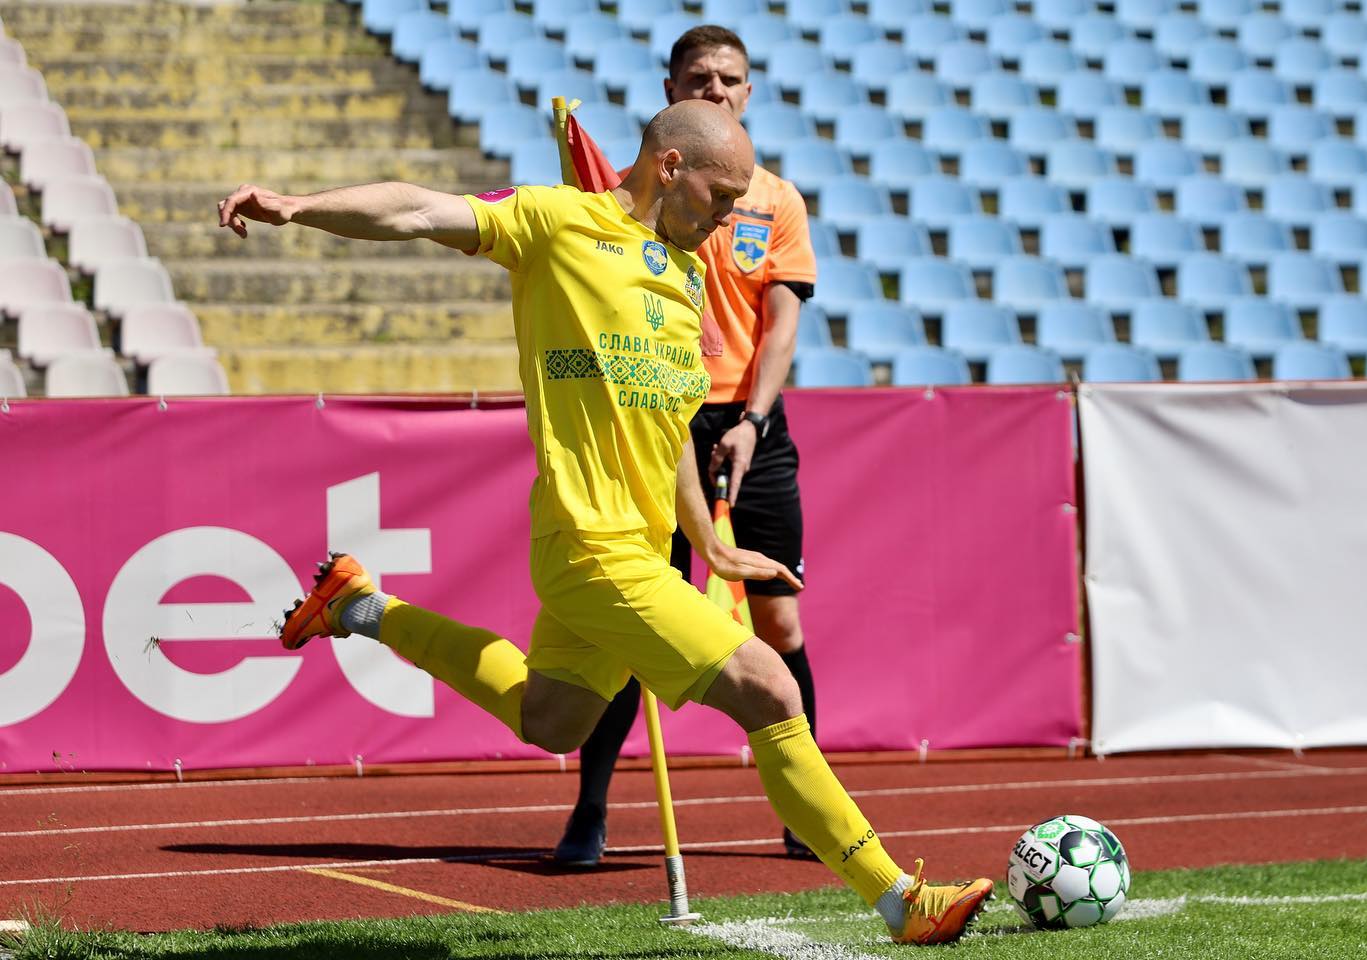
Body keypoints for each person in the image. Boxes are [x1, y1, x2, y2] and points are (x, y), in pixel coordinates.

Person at [217, 99, 993, 945]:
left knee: (549, 721)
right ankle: (898, 900)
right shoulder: (557, 223)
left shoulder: (689, 276)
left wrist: (710, 547)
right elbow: (416, 207)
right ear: (670, 168)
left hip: (639, 549)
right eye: (722, 194)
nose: (732, 215)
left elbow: (667, 441)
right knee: (770, 685)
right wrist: (297, 207)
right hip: (589, 545)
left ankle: (359, 606)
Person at [553, 24, 821, 868]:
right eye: (698, 76)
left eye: (730, 78)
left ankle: (802, 810)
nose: (715, 88)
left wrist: (754, 421)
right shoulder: (645, 197)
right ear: (670, 85)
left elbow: (782, 327)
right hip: (650, 420)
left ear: (751, 90)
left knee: (778, 619)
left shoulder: (772, 200)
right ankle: (589, 810)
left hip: (746, 421)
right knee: (637, 627)